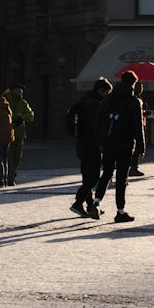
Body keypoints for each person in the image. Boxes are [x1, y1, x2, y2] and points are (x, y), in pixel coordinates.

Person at [93, 70, 143, 222]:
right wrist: (141, 147)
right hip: (125, 144)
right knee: (121, 177)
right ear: (133, 84)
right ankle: (120, 211)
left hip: (108, 143)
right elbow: (137, 126)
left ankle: (96, 203)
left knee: (107, 173)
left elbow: (97, 122)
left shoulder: (108, 99)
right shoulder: (134, 102)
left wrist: (100, 142)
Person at [69, 77, 112, 216]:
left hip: (81, 144)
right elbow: (96, 126)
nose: (107, 96)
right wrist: (102, 143)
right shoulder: (95, 104)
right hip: (91, 145)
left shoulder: (84, 101)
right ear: (101, 90)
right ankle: (78, 203)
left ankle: (89, 205)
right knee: (93, 177)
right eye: (107, 93)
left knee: (87, 175)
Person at [5, 83, 34, 186]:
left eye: (21, 91)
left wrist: (22, 117)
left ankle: (11, 173)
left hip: (20, 134)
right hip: (9, 133)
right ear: (12, 90)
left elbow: (30, 115)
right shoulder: (6, 102)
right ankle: (10, 178)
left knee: (17, 157)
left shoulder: (23, 103)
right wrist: (13, 119)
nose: (21, 92)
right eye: (18, 90)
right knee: (10, 157)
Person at [128, 80, 147, 177]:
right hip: (134, 127)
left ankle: (133, 167)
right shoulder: (135, 100)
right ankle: (133, 167)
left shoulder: (137, 99)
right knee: (135, 149)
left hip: (135, 125)